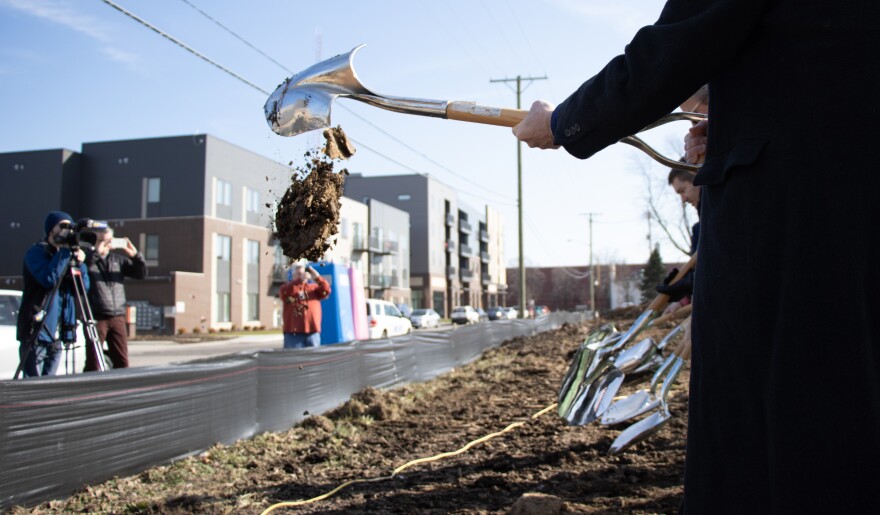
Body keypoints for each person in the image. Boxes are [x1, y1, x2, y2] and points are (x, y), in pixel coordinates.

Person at [513, 2, 880, 512]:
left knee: (783, 406)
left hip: (794, 203)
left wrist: (562, 123)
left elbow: (674, 46)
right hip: (844, 182)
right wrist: (738, 114)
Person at [16, 211, 89, 377]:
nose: (66, 231)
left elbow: (83, 287)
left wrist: (81, 264)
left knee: (50, 386)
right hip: (36, 332)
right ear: (50, 230)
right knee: (33, 387)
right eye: (62, 226)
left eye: (69, 227)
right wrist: (63, 252)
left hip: (58, 334)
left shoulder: (66, 256)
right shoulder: (36, 253)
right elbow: (49, 279)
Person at [84, 227, 147, 370]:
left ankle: (122, 387)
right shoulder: (89, 259)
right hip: (97, 315)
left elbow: (141, 273)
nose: (106, 244)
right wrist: (96, 253)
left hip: (117, 315)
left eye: (108, 240)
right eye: (101, 240)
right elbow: (83, 269)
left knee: (121, 360)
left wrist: (135, 255)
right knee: (93, 360)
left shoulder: (118, 260)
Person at [279, 260, 330, 348]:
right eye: (298, 274)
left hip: (312, 331)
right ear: (293, 275)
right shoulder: (288, 288)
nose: (302, 276)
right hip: (293, 333)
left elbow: (326, 291)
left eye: (303, 273)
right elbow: (284, 294)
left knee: (314, 359)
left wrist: (317, 278)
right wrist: (298, 281)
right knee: (294, 359)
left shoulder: (313, 288)